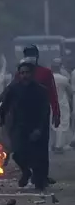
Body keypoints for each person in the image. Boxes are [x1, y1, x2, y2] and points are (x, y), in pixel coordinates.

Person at [0, 58, 50, 191]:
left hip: (36, 127)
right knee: (18, 153)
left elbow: (44, 111)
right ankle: (26, 172)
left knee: (37, 155)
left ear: (32, 74)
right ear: (19, 74)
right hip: (19, 126)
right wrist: (2, 120)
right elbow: (5, 106)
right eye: (22, 73)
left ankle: (39, 180)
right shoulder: (14, 89)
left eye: (27, 73)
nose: (24, 75)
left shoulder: (40, 90)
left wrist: (39, 129)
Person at [19, 45, 60, 185]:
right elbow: (11, 92)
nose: (30, 56)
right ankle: (28, 171)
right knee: (22, 147)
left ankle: (42, 176)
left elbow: (52, 93)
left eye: (32, 54)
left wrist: (56, 112)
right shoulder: (21, 72)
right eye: (27, 53)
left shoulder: (46, 73)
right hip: (23, 116)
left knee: (42, 147)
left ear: (37, 56)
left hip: (41, 114)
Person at [50, 58, 72, 153]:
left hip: (51, 103)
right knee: (62, 125)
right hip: (62, 103)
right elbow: (70, 92)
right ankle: (58, 146)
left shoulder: (48, 78)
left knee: (53, 125)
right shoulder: (64, 79)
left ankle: (54, 144)